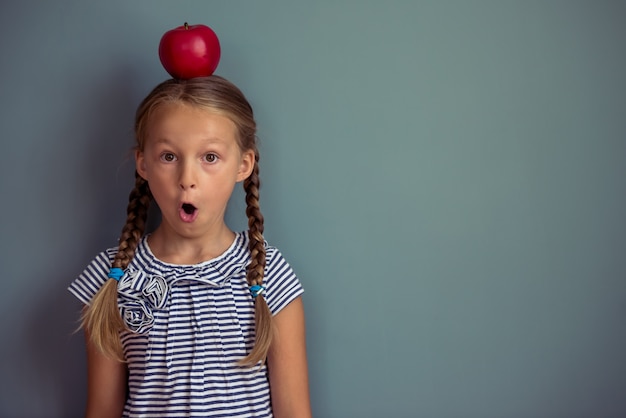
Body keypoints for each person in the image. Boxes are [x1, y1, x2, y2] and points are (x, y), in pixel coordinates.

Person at [68, 75, 312, 418]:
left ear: (243, 165)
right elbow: (103, 410)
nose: (187, 178)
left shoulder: (270, 275)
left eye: (210, 157)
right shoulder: (111, 279)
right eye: (169, 156)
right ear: (144, 164)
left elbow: (294, 411)